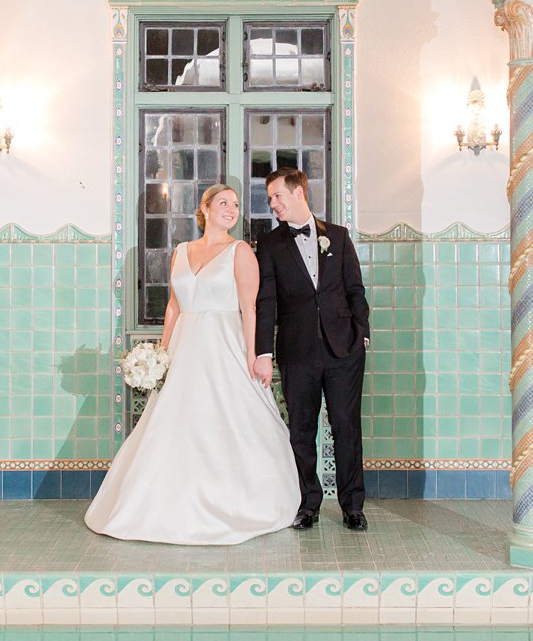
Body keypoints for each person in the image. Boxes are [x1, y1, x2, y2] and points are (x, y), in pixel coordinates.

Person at [85, 184, 301, 544]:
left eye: (235, 204)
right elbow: (174, 305)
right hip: (185, 348)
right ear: (204, 208)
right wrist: (162, 352)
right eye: (223, 203)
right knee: (174, 422)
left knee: (225, 421)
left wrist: (252, 355)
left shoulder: (241, 251)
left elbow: (250, 308)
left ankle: (237, 503)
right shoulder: (182, 251)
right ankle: (163, 504)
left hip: (224, 347)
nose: (231, 209)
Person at [254, 167, 371, 531]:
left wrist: (361, 334)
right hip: (297, 351)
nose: (272, 204)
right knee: (301, 431)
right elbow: (266, 302)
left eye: (277, 196)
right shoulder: (270, 245)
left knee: (346, 428)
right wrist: (263, 351)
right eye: (270, 198)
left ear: (298, 194)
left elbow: (355, 289)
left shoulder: (337, 236)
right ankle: (308, 504)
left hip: (344, 351)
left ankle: (353, 506)